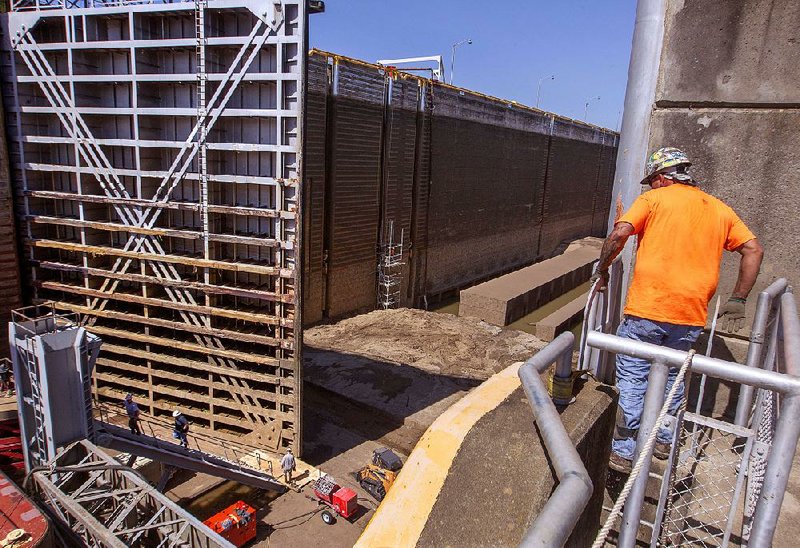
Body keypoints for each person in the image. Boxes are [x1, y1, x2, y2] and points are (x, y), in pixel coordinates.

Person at [593, 147, 763, 474]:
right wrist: (738, 298)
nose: (651, 185)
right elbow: (753, 249)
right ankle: (664, 439)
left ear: (660, 177)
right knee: (673, 375)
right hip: (690, 317)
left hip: (647, 309)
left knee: (633, 374)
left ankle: (625, 450)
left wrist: (602, 270)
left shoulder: (652, 200)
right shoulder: (719, 209)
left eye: (652, 180)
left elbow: (620, 233)